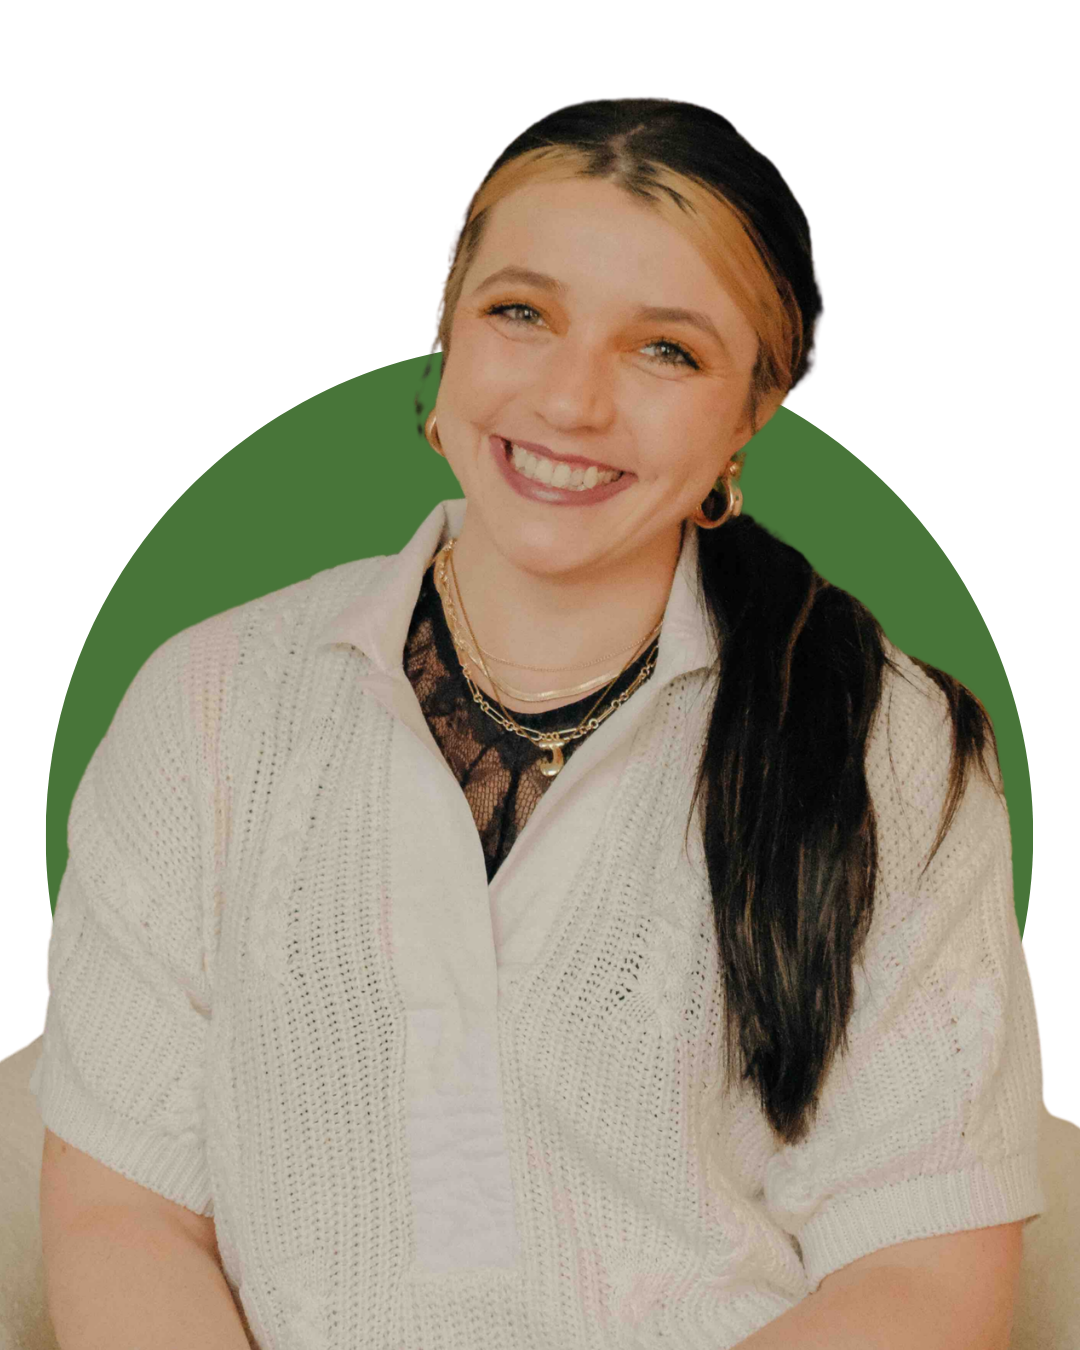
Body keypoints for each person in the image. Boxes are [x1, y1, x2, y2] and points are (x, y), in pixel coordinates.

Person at [36, 97, 1045, 1349]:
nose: (570, 402)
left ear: (751, 416)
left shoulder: (892, 750)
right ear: (448, 329)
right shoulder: (209, 700)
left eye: (665, 350)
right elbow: (120, 1214)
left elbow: (926, 1277)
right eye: (523, 313)